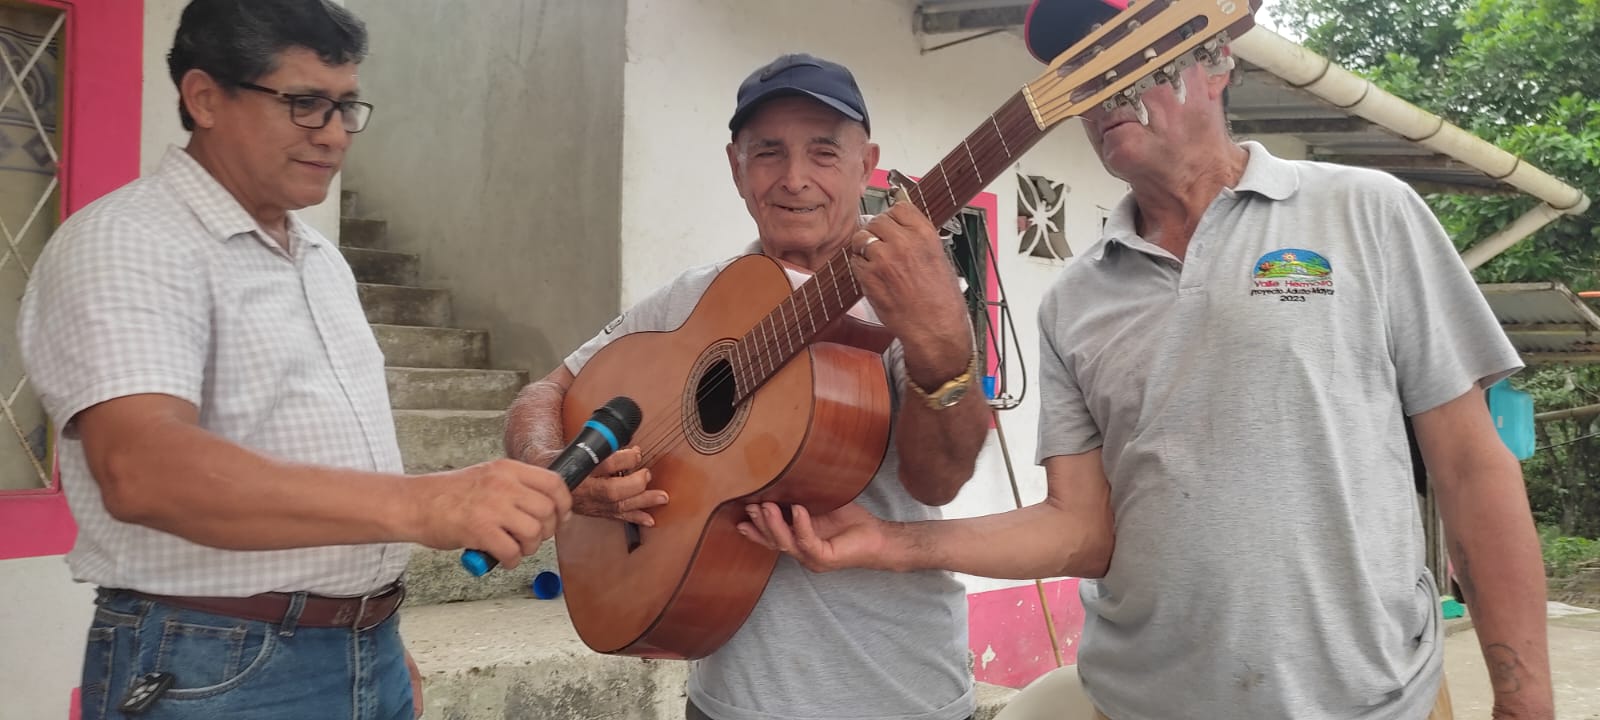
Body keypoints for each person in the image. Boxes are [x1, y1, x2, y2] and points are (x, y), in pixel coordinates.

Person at [738, 2, 1556, 718]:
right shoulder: (1074, 300)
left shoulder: (1364, 212)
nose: (1100, 86)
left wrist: (1524, 699)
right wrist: (889, 542)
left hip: (1372, 703)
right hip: (1135, 704)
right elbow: (1080, 529)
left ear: (1217, 59)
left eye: (1125, 53)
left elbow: (1470, 467)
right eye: (1079, 68)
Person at [18, 2, 571, 718]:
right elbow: (142, 470)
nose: (334, 134)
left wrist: (363, 625)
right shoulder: (130, 241)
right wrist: (427, 502)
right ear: (204, 97)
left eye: (345, 107)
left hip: (355, 647)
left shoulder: (319, 258)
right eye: (305, 103)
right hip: (213, 659)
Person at [502, 53, 991, 720]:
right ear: (736, 167)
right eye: (767, 153)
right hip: (726, 700)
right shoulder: (692, 298)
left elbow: (939, 481)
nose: (794, 178)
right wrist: (556, 473)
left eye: (823, 152)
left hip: (898, 695)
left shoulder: (909, 300)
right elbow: (547, 393)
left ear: (866, 164)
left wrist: (943, 346)